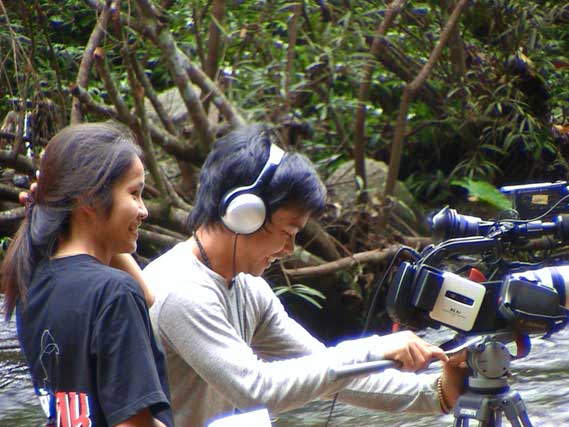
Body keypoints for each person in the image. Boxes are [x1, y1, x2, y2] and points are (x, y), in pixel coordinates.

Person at [144, 124, 467, 427]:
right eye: (288, 232)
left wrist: (438, 392)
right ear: (245, 215)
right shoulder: (179, 291)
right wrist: (374, 349)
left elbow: (327, 371)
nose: (289, 249)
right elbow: (257, 389)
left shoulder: (248, 287)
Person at [1, 122, 173, 427]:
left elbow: (146, 296)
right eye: (134, 193)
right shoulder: (113, 293)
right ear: (90, 200)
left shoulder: (32, 282)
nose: (144, 210)